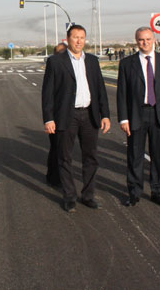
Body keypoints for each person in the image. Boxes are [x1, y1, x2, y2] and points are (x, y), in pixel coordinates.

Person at [42, 25, 111, 212]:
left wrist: (105, 114)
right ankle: (70, 196)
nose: (79, 41)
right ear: (68, 39)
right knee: (65, 157)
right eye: (75, 37)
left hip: (89, 114)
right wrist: (48, 119)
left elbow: (100, 90)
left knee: (91, 157)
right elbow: (47, 93)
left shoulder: (93, 61)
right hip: (67, 115)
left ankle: (88, 195)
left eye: (82, 37)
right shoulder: (56, 62)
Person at [117, 27, 160, 207]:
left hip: (159, 115)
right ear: (136, 41)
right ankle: (134, 192)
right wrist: (124, 119)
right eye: (141, 40)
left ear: (154, 39)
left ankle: (157, 191)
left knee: (158, 156)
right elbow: (122, 94)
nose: (145, 43)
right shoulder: (127, 63)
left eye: (148, 39)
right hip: (137, 115)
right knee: (135, 156)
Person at [45, 42, 68, 188]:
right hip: (56, 115)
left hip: (69, 114)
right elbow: (48, 95)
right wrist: (49, 118)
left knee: (60, 149)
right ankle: (54, 177)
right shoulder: (53, 67)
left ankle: (55, 176)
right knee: (57, 148)